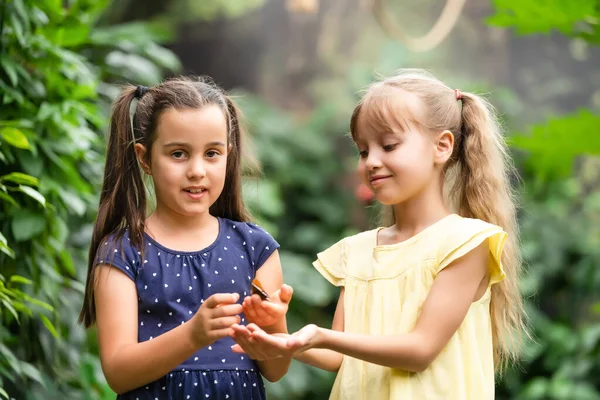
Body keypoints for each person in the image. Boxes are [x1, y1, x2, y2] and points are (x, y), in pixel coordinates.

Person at [230, 69, 526, 399]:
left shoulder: (466, 243)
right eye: (363, 150)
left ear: (441, 146)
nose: (371, 161)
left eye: (388, 145)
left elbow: (419, 351)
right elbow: (337, 355)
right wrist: (282, 336)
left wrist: (321, 336)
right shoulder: (357, 252)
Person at [78, 77, 293, 399]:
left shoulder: (255, 247)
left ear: (228, 156)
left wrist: (274, 325)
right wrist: (192, 336)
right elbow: (118, 374)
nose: (197, 170)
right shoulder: (123, 251)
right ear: (145, 158)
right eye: (178, 154)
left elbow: (276, 371)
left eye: (212, 153)